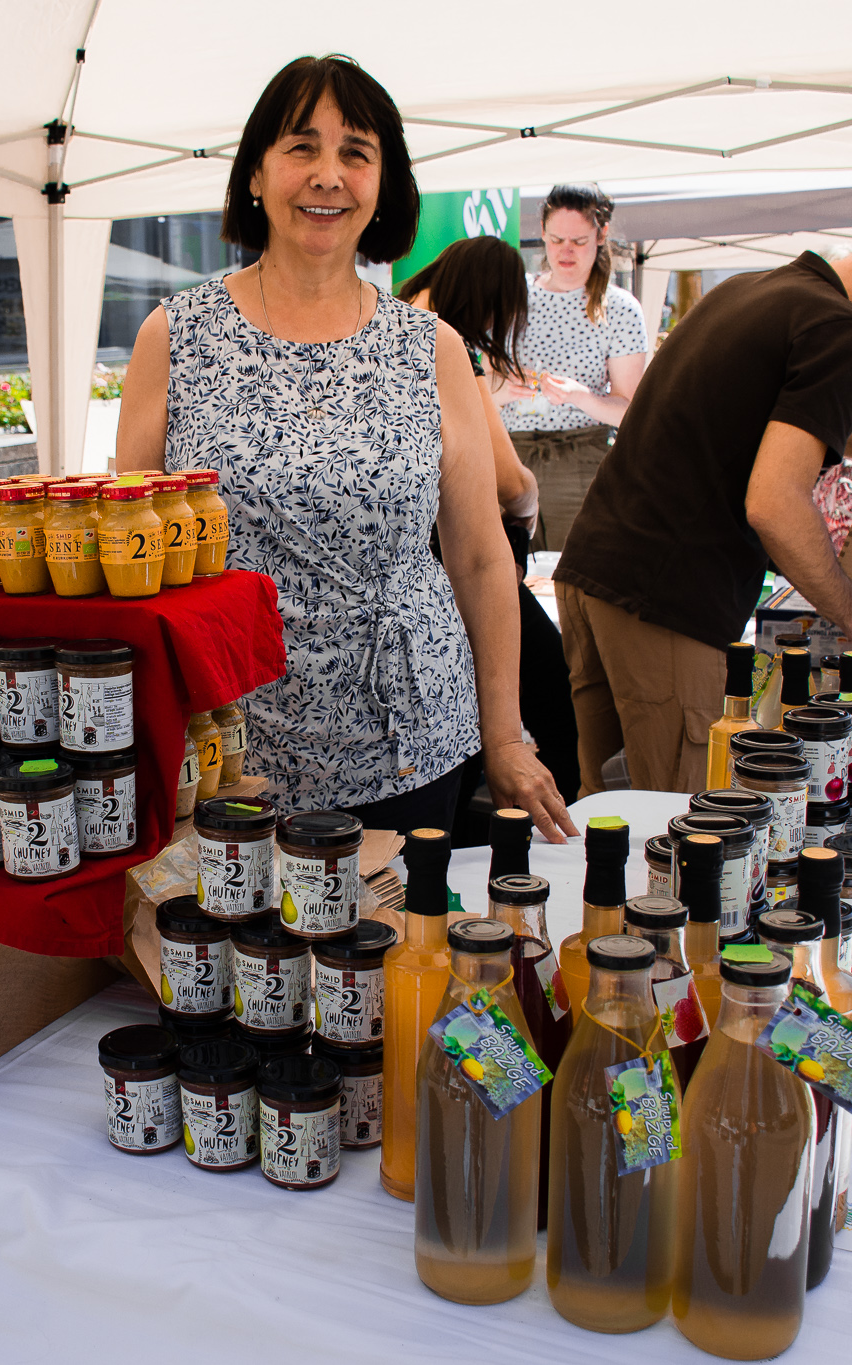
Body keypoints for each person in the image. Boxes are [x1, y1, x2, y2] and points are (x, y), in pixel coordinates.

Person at [116, 54, 575, 841]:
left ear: (382, 185)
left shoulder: (431, 347)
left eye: (355, 153)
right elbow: (134, 554)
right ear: (255, 173)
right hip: (232, 746)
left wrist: (504, 735)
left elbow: (478, 555)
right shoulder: (176, 337)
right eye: (301, 147)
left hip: (412, 740)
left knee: (400, 923)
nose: (328, 175)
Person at [553, 225, 852, 796]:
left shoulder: (750, 290)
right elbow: (774, 502)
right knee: (683, 820)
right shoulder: (845, 330)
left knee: (601, 815)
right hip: (668, 603)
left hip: (593, 572)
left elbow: (793, 416)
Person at [395, 237, 580, 804]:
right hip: (451, 560)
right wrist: (528, 505)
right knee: (553, 696)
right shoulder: (443, 344)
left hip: (413, 569)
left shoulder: (392, 323)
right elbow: (508, 479)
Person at [490, 183, 649, 553]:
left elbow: (629, 410)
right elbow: (481, 385)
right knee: (504, 568)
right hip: (510, 452)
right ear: (542, 233)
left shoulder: (620, 308)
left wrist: (581, 397)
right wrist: (501, 391)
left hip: (581, 458)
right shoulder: (511, 296)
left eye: (578, 241)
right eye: (556, 239)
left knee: (574, 566)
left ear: (601, 235)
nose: (565, 251)